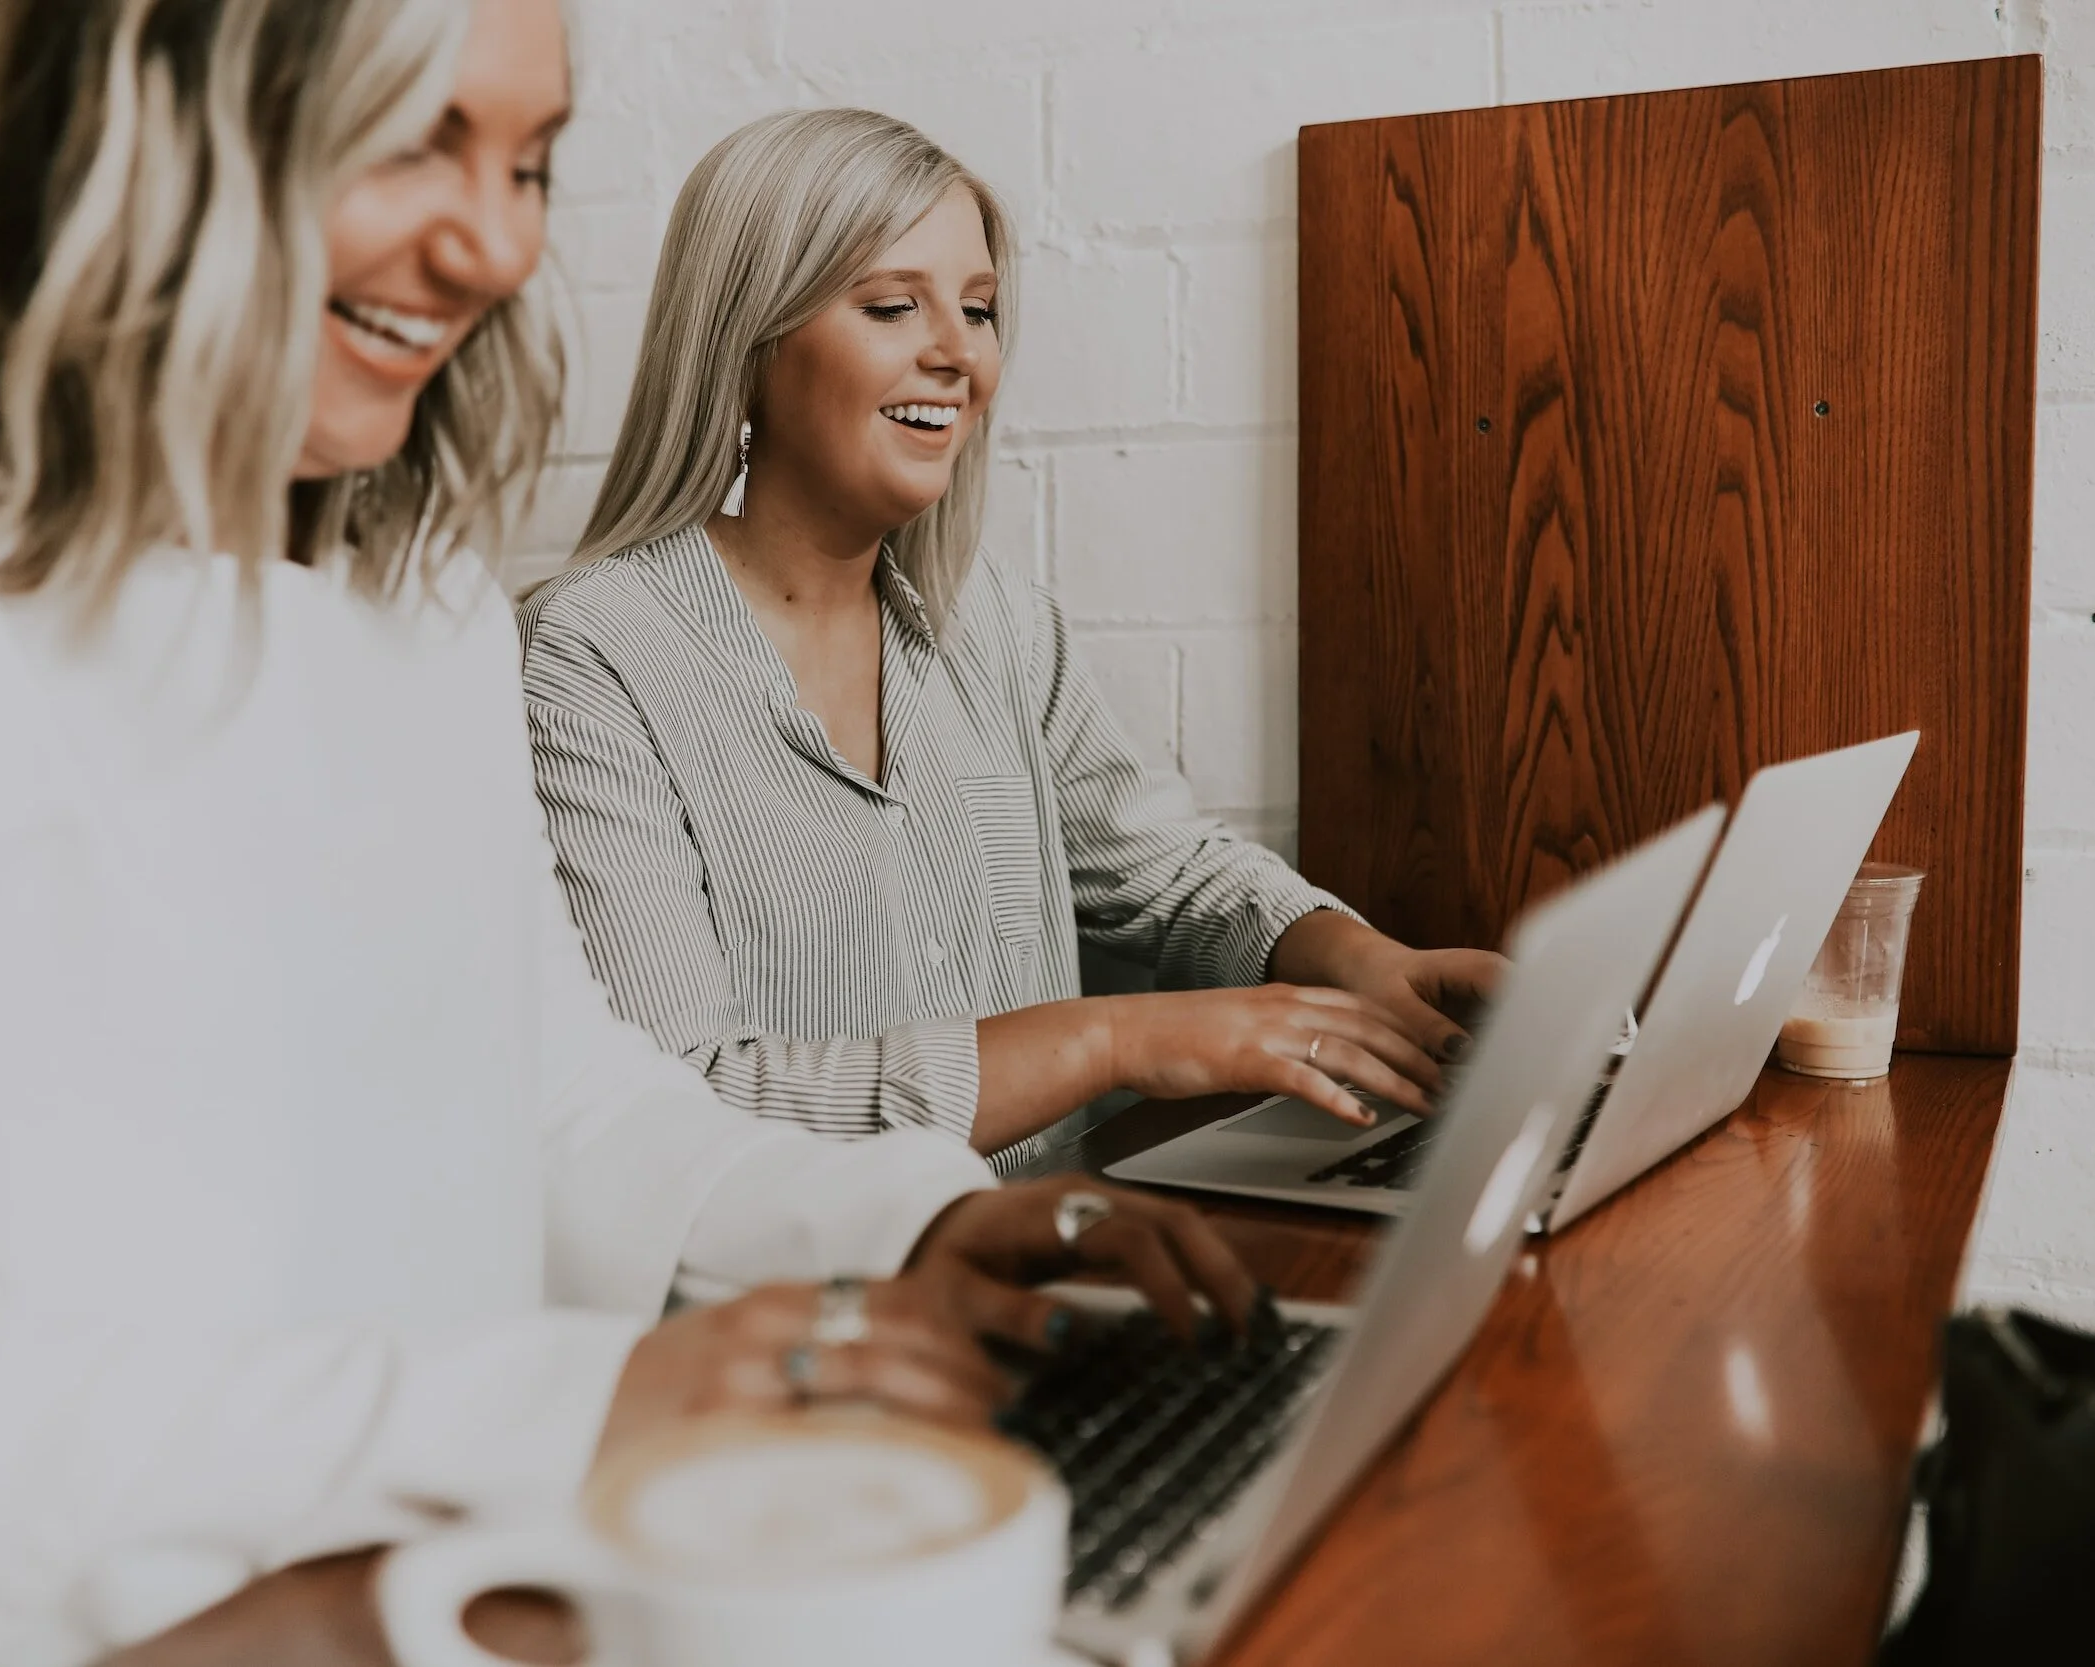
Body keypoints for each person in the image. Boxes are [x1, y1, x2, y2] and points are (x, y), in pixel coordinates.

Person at [0, 11, 1254, 1667]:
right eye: (413, 138)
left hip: (449, 1605)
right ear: (148, 111)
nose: (495, 241)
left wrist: (898, 1226)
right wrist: (573, 1407)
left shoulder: (415, 606)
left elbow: (563, 1095)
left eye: (530, 160)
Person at [519, 109, 1507, 1171]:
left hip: (1068, 1253)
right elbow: (687, 1099)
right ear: (748, 343)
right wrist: (1115, 1039)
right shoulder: (590, 655)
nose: (957, 353)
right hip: (821, 1309)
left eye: (980, 310)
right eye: (894, 305)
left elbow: (1164, 874)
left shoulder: (993, 623)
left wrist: (1360, 960)